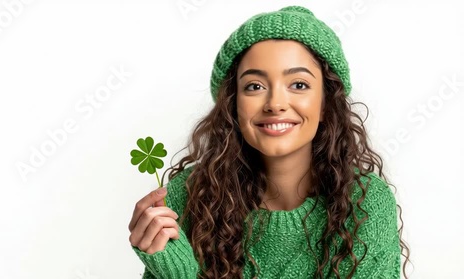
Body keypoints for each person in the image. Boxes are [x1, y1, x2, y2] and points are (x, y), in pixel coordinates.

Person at [128, 5, 410, 279]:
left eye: (299, 85)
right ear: (233, 105)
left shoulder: (363, 204)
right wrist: (176, 273)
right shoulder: (187, 198)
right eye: (255, 86)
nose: (275, 103)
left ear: (326, 103)